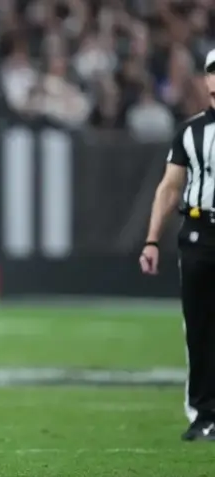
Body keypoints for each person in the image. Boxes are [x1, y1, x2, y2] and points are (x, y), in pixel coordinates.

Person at [141, 48, 215, 441]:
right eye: (214, 72)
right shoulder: (191, 131)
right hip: (201, 234)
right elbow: (170, 188)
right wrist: (152, 239)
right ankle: (204, 412)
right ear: (206, 80)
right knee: (199, 327)